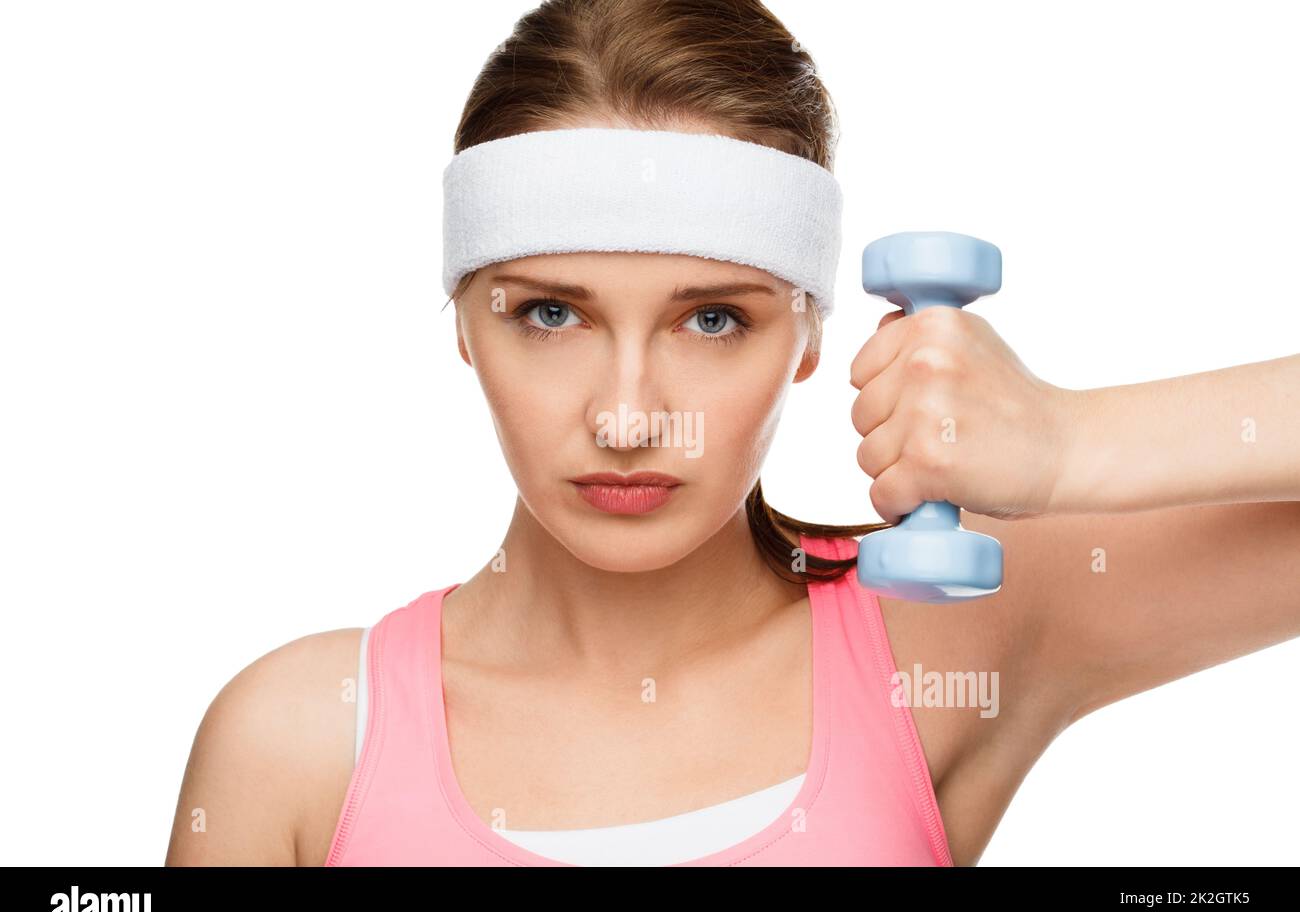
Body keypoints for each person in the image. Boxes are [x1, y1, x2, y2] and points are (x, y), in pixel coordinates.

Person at [165, 0, 1300, 866]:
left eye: (713, 318)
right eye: (549, 313)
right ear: (464, 318)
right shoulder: (298, 742)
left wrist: (1069, 444)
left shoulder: (941, 645)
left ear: (809, 331)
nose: (624, 415)